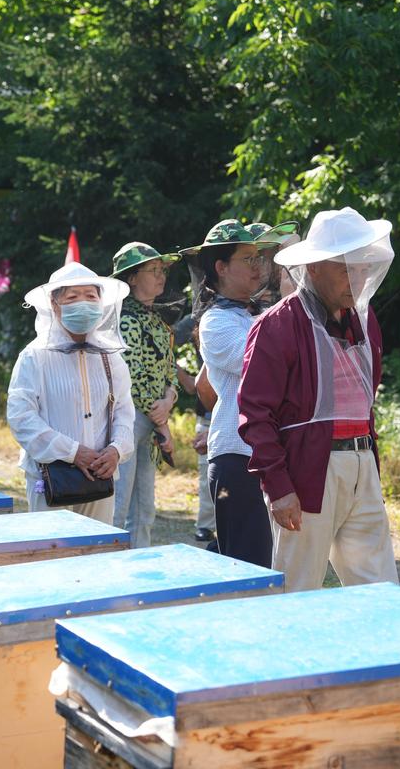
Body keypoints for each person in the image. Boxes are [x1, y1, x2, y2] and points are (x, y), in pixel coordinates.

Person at [238, 208, 399, 591]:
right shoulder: (277, 325)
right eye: (345, 268)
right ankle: (289, 653)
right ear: (313, 268)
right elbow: (255, 413)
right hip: (307, 468)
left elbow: (366, 395)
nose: (357, 278)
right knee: (298, 587)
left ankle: (379, 653)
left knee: (379, 588)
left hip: (362, 462)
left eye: (362, 268)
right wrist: (278, 486)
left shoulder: (364, 318)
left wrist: (368, 468)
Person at [181, 220, 278, 567]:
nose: (259, 266)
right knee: (247, 562)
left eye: (259, 258)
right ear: (221, 268)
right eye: (247, 259)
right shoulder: (216, 322)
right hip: (237, 457)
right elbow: (265, 363)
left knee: (263, 559)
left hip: (268, 454)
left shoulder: (257, 314)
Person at [7, 262, 135, 524]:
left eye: (91, 296)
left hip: (100, 477)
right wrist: (72, 452)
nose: (83, 303)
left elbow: (123, 411)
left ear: (102, 303)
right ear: (55, 305)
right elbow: (21, 416)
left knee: (95, 554)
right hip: (52, 478)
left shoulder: (110, 358)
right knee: (53, 555)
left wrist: (115, 450)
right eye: (72, 297)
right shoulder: (36, 356)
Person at [110, 242, 179, 548]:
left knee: (144, 508)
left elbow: (170, 373)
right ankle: (108, 567)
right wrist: (161, 419)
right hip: (129, 420)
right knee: (119, 505)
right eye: (153, 270)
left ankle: (139, 565)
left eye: (162, 270)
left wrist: (170, 399)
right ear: (132, 278)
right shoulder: (124, 319)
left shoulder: (159, 323)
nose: (161, 276)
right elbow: (131, 378)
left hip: (152, 420)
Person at [174, 314, 215, 542]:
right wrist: (184, 378)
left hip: (240, 411)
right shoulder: (194, 319)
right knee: (206, 473)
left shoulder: (251, 310)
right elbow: (167, 340)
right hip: (206, 412)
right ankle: (205, 524)